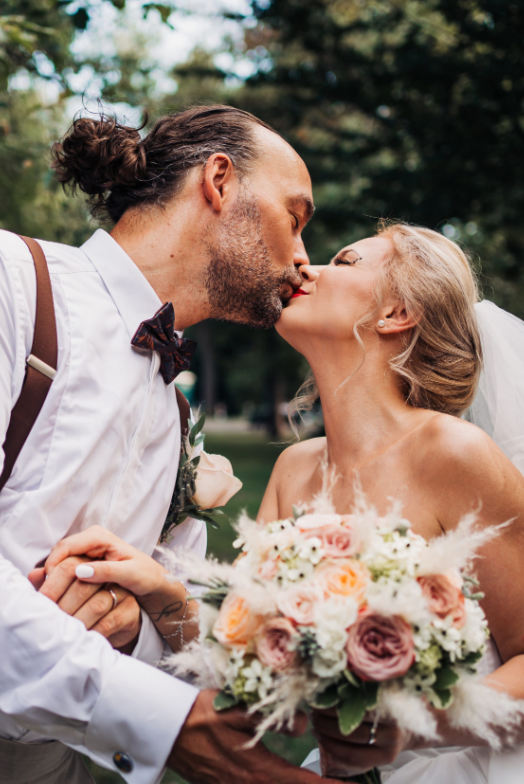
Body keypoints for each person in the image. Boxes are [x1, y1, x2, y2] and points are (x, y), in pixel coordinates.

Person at [44, 222, 524, 783]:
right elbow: (242, 660)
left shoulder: (454, 454)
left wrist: (412, 725)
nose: (306, 269)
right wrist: (160, 590)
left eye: (344, 261)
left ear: (397, 313)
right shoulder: (294, 469)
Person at [0, 105, 342, 784]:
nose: (304, 259)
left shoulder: (179, 419)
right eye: (294, 217)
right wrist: (168, 723)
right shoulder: (13, 282)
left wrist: (134, 624)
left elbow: (178, 638)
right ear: (219, 180)